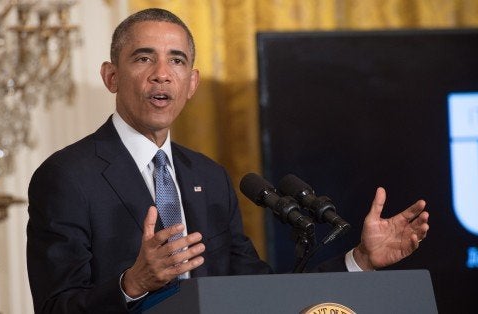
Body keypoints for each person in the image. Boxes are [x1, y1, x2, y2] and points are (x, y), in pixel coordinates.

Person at [26, 8, 430, 314]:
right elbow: (55, 306)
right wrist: (132, 283)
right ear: (111, 77)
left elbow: (262, 294)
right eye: (144, 58)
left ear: (192, 84)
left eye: (177, 60)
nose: (162, 74)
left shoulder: (208, 176)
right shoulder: (66, 177)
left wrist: (359, 261)